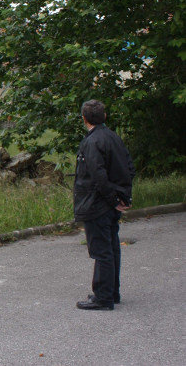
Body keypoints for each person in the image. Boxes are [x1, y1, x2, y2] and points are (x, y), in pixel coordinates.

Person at [74, 100, 135, 310]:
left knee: (102, 251)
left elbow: (98, 176)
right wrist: (123, 197)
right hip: (109, 203)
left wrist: (113, 200)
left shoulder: (92, 142)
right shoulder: (113, 137)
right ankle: (111, 292)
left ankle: (103, 298)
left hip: (97, 204)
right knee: (111, 247)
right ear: (104, 116)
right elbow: (129, 167)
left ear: (84, 118)